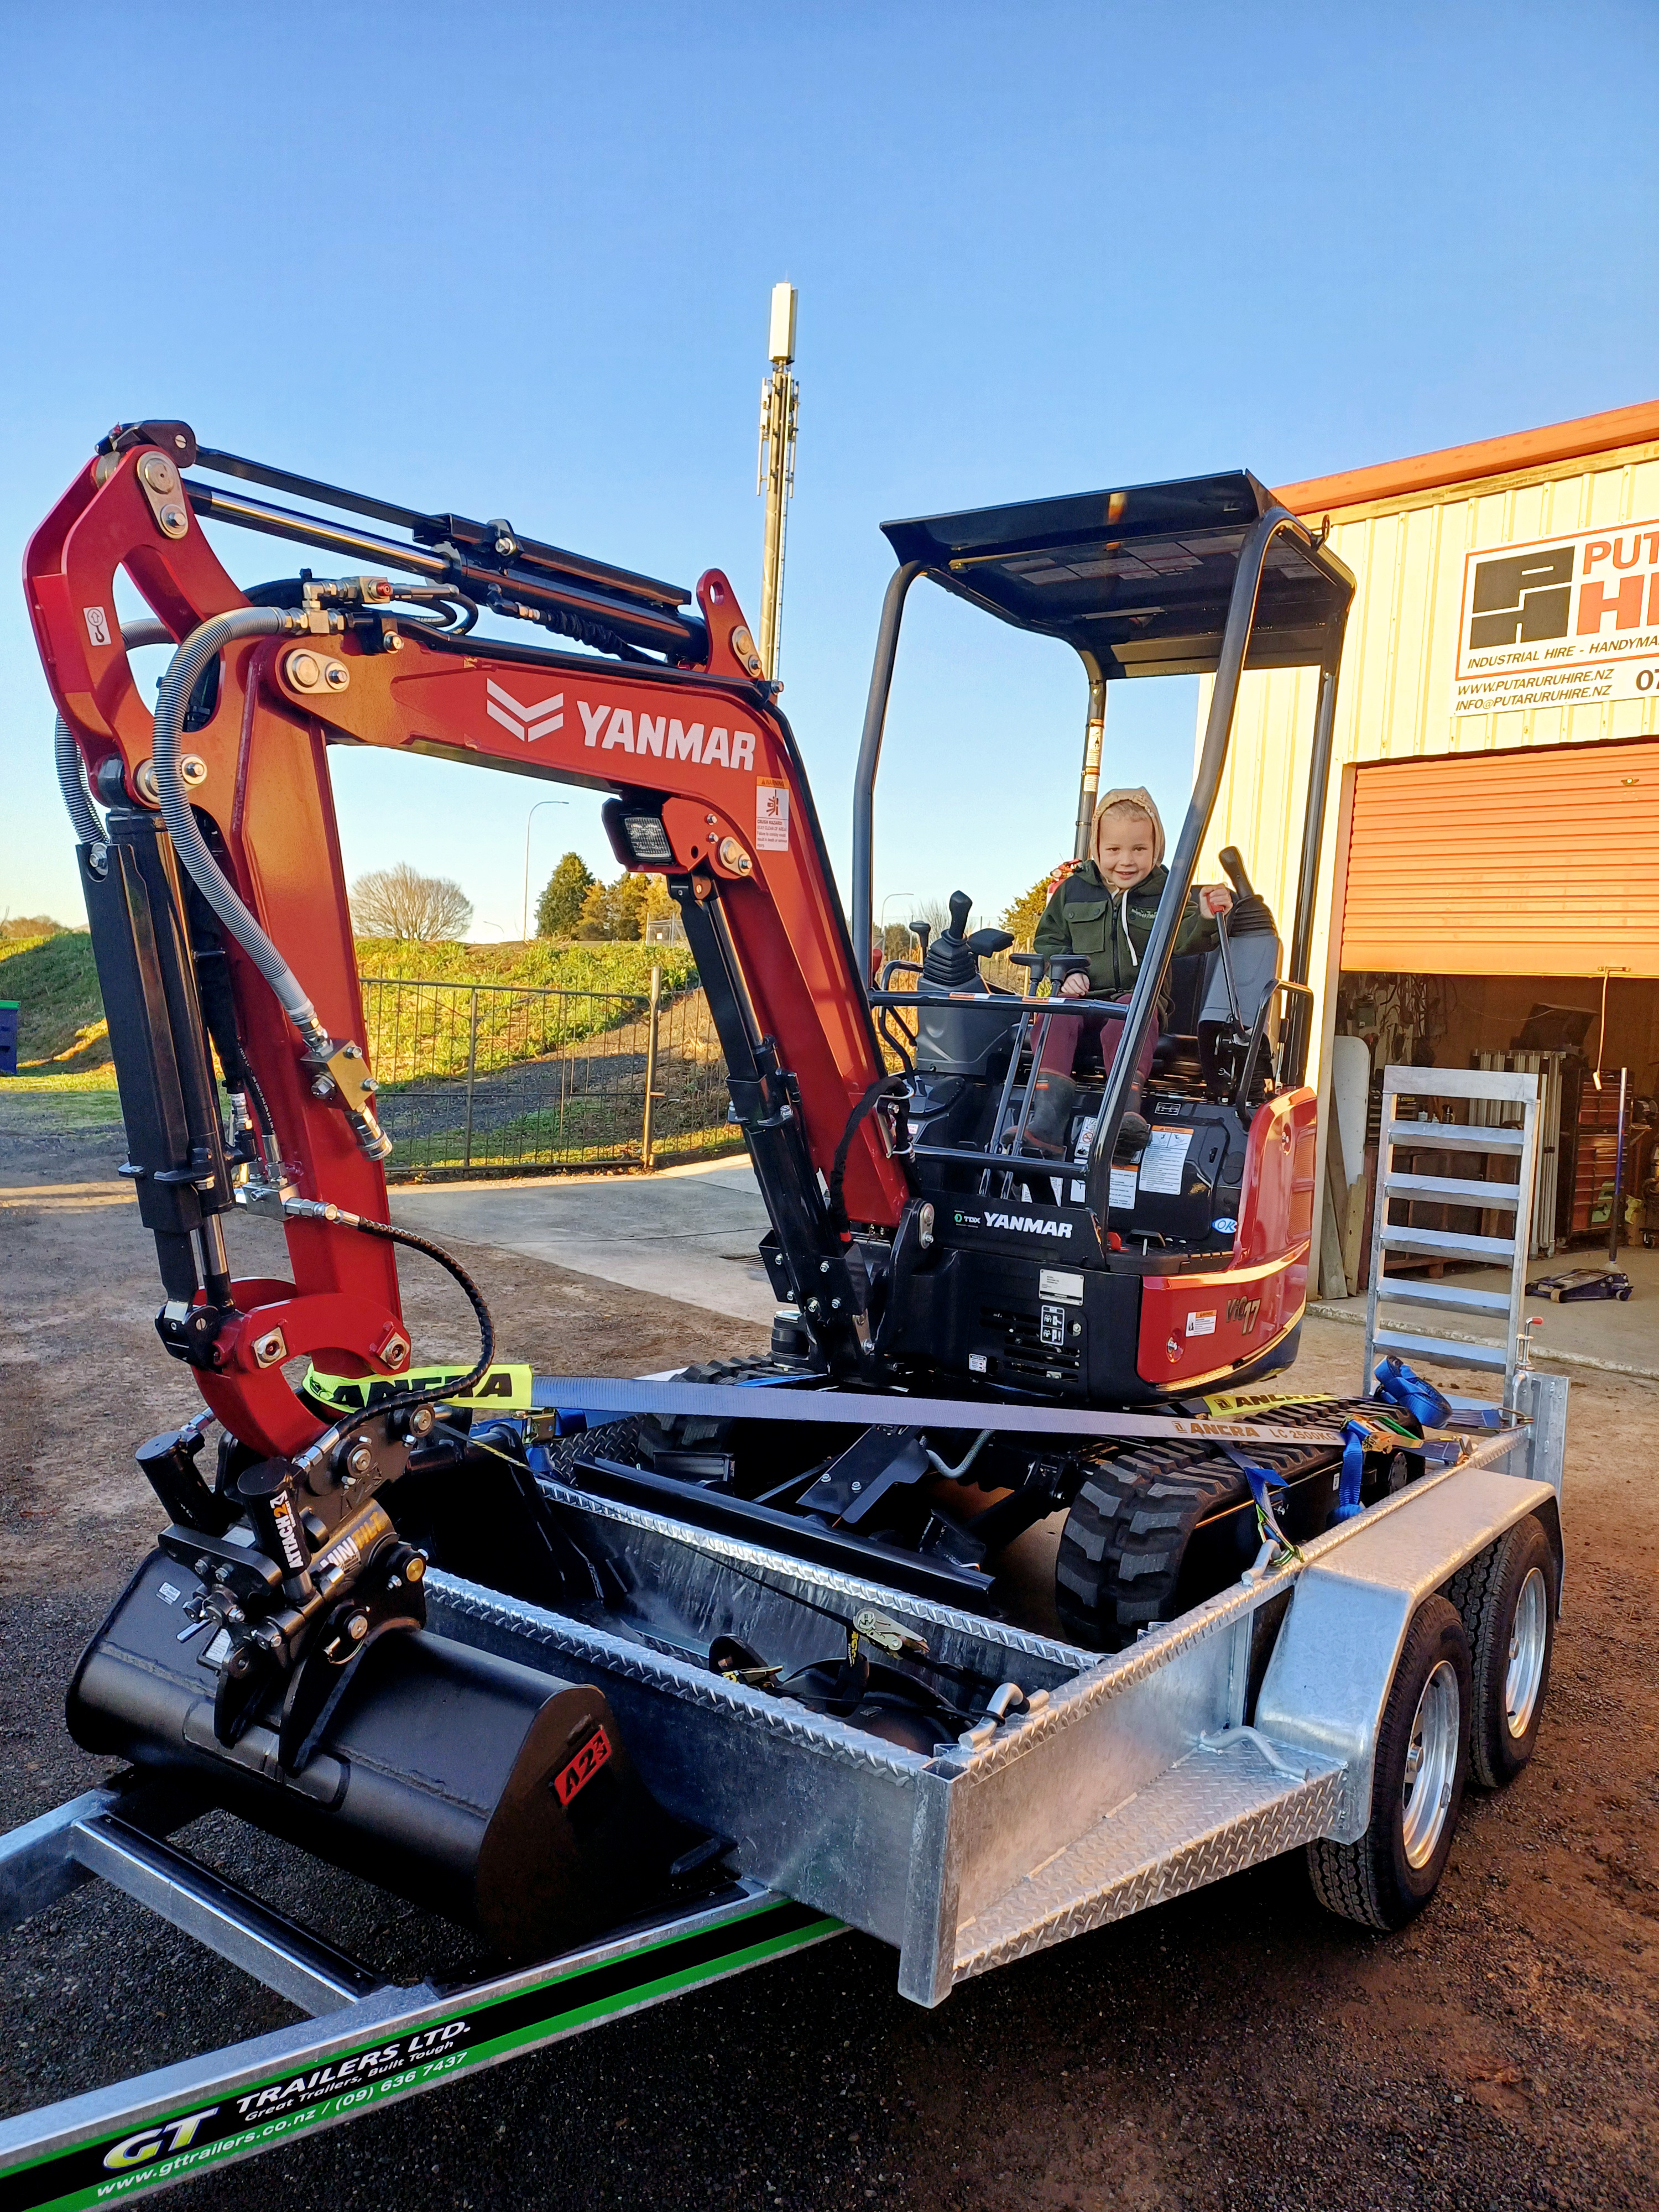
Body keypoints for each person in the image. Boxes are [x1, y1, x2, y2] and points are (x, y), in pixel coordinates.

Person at [1022, 786, 1233, 1157]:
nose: (1126, 861)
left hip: (1136, 1001)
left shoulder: (1169, 893)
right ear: (1096, 849)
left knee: (1130, 1013)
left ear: (1157, 848)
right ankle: (1046, 1126)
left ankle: (1122, 1118)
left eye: (1139, 849)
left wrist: (1203, 915)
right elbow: (1050, 940)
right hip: (1083, 998)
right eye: (1114, 850)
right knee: (1056, 1012)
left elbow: (1184, 938)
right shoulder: (1072, 892)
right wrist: (1067, 970)